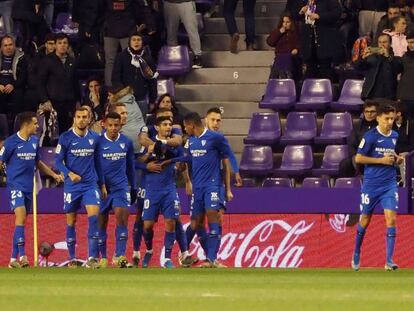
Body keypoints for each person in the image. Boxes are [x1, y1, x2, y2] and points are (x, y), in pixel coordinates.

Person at [167, 112, 239, 268]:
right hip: (197, 187)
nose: (185, 130)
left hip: (212, 185)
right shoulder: (191, 141)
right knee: (196, 222)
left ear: (192, 125)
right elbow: (187, 158)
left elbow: (228, 156)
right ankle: (186, 254)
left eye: (186, 127)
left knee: (214, 216)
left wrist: (236, 174)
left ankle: (211, 258)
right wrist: (172, 161)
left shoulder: (216, 138)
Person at [0, 112, 62, 268]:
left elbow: (38, 163)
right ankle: (23, 257)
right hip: (15, 186)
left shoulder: (34, 142)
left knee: (21, 222)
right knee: (20, 217)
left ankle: (13, 260)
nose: (37, 126)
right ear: (26, 124)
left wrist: (54, 175)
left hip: (29, 187)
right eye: (35, 123)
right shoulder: (10, 143)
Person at [352, 103, 403, 271]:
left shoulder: (394, 135)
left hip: (389, 184)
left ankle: (389, 260)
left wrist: (397, 159)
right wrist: (380, 161)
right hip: (371, 185)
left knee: (391, 218)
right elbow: (359, 158)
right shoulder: (370, 136)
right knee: (365, 220)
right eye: (387, 118)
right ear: (379, 118)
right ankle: (356, 252)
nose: (390, 122)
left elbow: (390, 154)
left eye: (392, 118)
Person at [55, 107, 104, 268]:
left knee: (94, 218)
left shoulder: (95, 138)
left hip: (90, 185)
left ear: (89, 119)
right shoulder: (66, 138)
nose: (81, 119)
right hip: (72, 186)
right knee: (71, 221)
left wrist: (102, 184)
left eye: (84, 117)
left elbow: (98, 163)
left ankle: (92, 258)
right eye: (78, 117)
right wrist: (69, 174)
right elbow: (57, 162)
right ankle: (72, 258)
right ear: (74, 119)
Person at [139, 116, 185, 268]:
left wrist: (177, 164)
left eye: (170, 124)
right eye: (164, 124)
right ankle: (149, 249)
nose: (168, 127)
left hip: (169, 189)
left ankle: (167, 258)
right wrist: (147, 165)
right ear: (157, 127)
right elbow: (135, 163)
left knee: (171, 222)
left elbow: (185, 160)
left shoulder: (174, 145)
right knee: (147, 225)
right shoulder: (148, 144)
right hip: (151, 191)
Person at [96, 112, 136, 268]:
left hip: (121, 187)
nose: (113, 128)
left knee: (122, 217)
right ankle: (103, 257)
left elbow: (131, 167)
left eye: (116, 125)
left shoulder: (126, 142)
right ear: (105, 124)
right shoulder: (97, 142)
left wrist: (133, 187)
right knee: (101, 222)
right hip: (102, 188)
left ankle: (119, 256)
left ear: (121, 125)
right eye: (110, 125)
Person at [103, 0, 155, 86]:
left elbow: (98, 9)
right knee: (128, 60)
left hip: (114, 30)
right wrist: (150, 25)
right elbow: (142, 7)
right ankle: (127, 88)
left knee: (112, 62)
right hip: (124, 30)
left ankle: (112, 89)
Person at [37, 33, 80, 133]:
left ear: (68, 45)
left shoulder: (72, 61)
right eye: (59, 43)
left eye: (65, 43)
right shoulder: (46, 61)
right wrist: (45, 100)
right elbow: (40, 83)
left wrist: (77, 100)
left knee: (68, 131)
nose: (62, 45)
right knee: (52, 133)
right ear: (55, 45)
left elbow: (75, 82)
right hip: (53, 103)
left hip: (69, 103)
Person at [112, 31, 158, 117]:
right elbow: (115, 77)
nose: (136, 42)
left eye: (138, 40)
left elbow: (152, 81)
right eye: (133, 40)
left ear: (142, 42)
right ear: (129, 42)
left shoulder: (148, 58)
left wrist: (152, 100)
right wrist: (123, 93)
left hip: (141, 99)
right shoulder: (121, 56)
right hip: (125, 99)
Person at [298, 0, 342, 80]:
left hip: (324, 41)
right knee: (310, 69)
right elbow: (293, 15)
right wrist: (301, 12)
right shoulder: (305, 2)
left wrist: (319, 16)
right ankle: (308, 91)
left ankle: (328, 90)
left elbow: (337, 13)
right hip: (309, 43)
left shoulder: (329, 2)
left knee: (325, 69)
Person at [356, 33, 402, 100]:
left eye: (384, 42)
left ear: (390, 43)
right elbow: (358, 67)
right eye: (380, 42)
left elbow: (398, 68)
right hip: (370, 94)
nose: (382, 45)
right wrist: (362, 58)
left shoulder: (395, 59)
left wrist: (388, 56)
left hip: (388, 96)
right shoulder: (371, 57)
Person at [339, 101, 378, 177]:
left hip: (376, 156)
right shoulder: (357, 126)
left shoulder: (382, 126)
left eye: (372, 111)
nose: (369, 114)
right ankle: (346, 186)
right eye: (367, 111)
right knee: (345, 164)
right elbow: (352, 144)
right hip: (359, 157)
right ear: (363, 113)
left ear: (377, 113)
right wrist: (358, 156)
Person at [163, 0, 203, 68]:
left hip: (187, 2)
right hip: (169, 3)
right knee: (171, 33)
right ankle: (173, 58)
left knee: (192, 31)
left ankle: (197, 56)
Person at [266, 12, 300, 79]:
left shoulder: (295, 32)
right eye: (284, 22)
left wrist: (297, 49)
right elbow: (270, 42)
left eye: (288, 22)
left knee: (286, 64)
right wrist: (279, 32)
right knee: (279, 65)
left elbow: (301, 43)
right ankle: (275, 84)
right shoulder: (278, 31)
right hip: (280, 57)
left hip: (292, 58)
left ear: (291, 23)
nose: (285, 24)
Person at [0, 35, 27, 116]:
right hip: (0, 86)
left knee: (18, 96)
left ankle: (16, 124)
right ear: (1, 47)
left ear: (15, 46)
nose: (8, 47)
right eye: (5, 45)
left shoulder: (22, 57)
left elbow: (24, 76)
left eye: (10, 45)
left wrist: (13, 85)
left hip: (15, 86)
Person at [397, 31, 414, 119]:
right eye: (409, 42)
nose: (411, 45)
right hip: (406, 97)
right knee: (406, 123)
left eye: (413, 42)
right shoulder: (404, 57)